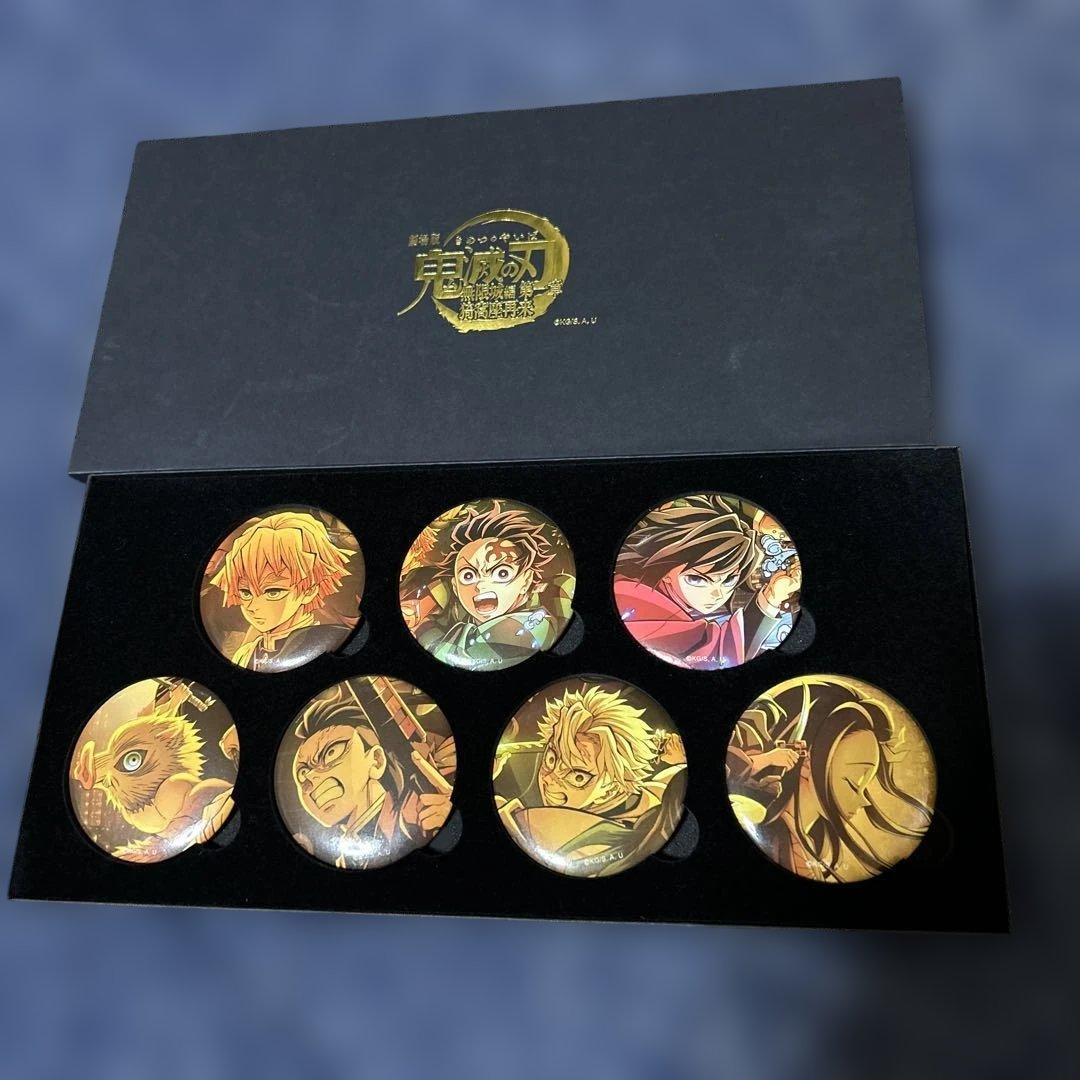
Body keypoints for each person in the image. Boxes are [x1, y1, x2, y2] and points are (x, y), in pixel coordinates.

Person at [726, 678, 934, 882]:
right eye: (854, 782)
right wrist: (763, 760)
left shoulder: (810, 847)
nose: (865, 801)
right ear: (807, 763)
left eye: (864, 786)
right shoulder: (762, 824)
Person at [495, 684, 686, 877]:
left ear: (612, 787)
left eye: (578, 777)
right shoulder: (655, 797)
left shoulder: (551, 828)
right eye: (551, 759)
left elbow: (513, 823)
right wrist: (677, 764)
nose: (550, 780)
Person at [615, 494, 801, 669]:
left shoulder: (643, 590)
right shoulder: (635, 599)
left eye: (729, 579)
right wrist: (771, 597)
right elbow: (717, 654)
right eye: (697, 579)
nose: (717, 594)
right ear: (666, 571)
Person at [290, 681, 454, 869]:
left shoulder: (415, 813)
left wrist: (449, 824)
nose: (310, 777)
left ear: (376, 760)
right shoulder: (344, 858)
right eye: (303, 772)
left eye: (331, 753)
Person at [409, 501, 573, 671]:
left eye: (502, 573)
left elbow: (460, 652)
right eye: (468, 575)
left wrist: (424, 626)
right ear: (455, 587)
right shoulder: (457, 613)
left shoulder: (534, 623)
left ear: (526, 581)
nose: (481, 585)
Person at [209, 510, 357, 671]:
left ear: (309, 589)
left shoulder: (327, 637)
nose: (252, 606)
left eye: (273, 592)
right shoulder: (245, 654)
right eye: (246, 592)